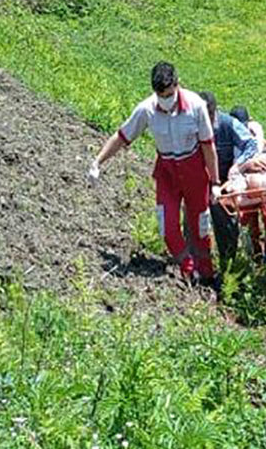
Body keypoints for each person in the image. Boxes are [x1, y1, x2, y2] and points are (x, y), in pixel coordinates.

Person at [88, 62, 221, 285]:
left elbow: (208, 146)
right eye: (161, 95)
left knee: (200, 226)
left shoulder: (196, 107)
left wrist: (215, 182)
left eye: (169, 95)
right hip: (167, 173)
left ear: (177, 85)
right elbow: (122, 136)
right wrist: (98, 162)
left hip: (194, 171)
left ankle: (207, 275)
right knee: (168, 227)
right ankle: (188, 270)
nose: (166, 100)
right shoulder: (147, 110)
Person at [200, 92, 259, 265]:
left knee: (227, 228)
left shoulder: (228, 124)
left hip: (224, 187)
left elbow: (251, 144)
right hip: (199, 183)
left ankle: (228, 268)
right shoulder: (191, 125)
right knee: (194, 227)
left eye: (207, 118)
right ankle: (200, 269)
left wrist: (238, 165)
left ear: (213, 113)